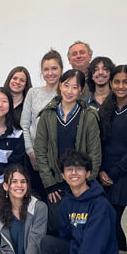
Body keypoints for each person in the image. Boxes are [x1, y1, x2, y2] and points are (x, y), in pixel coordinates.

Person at [37, 150, 119, 254]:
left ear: (88, 173)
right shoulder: (67, 202)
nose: (73, 173)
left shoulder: (100, 205)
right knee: (47, 243)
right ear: (63, 175)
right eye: (69, 169)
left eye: (79, 168)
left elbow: (92, 249)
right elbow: (65, 238)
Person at [33, 69, 101, 235]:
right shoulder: (47, 115)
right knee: (57, 227)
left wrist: (86, 183)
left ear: (81, 90)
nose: (69, 91)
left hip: (81, 183)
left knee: (81, 229)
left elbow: (95, 153)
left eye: (75, 87)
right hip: (55, 184)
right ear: (60, 86)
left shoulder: (89, 116)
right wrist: (49, 184)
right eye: (66, 85)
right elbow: (40, 152)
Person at [97, 65, 127, 250]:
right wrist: (101, 171)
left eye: (125, 82)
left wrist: (114, 173)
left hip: (124, 174)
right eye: (116, 82)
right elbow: (100, 142)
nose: (121, 86)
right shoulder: (106, 108)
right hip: (103, 173)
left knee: (112, 218)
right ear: (111, 84)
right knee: (103, 219)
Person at [21, 49, 64, 200]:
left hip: (58, 159)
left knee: (56, 200)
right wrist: (31, 153)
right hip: (34, 158)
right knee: (36, 200)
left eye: (54, 68)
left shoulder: (66, 94)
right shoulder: (33, 93)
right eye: (46, 69)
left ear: (61, 69)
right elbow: (24, 125)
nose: (50, 73)